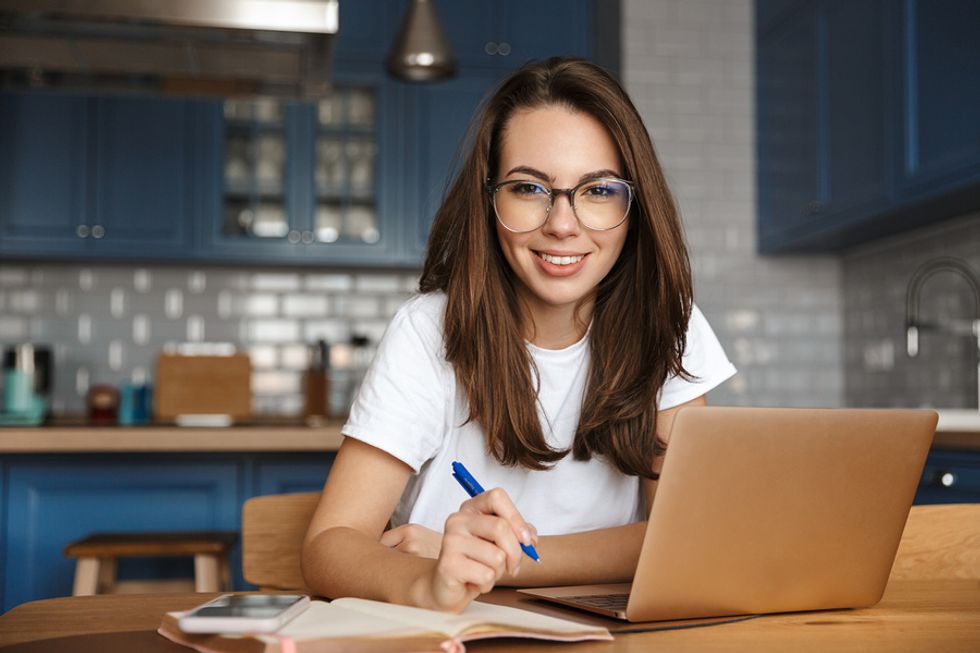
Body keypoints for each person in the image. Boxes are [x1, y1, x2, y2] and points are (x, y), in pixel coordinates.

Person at [301, 57, 736, 613]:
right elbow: (327, 547)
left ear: (635, 207)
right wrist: (425, 582)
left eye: (598, 191)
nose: (562, 223)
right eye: (529, 187)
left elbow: (685, 538)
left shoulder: (671, 323)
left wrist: (498, 561)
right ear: (489, 201)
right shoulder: (429, 330)